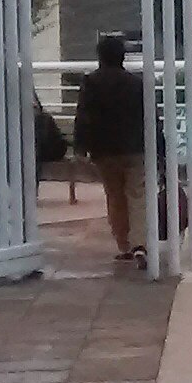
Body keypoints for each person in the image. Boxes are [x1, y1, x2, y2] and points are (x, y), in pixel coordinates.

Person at [71, 32, 148, 264]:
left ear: (100, 57)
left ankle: (123, 244)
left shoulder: (91, 82)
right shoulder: (136, 83)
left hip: (104, 150)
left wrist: (80, 147)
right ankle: (141, 244)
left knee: (114, 196)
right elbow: (150, 117)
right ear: (123, 57)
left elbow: (83, 116)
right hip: (135, 148)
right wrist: (159, 147)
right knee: (138, 195)